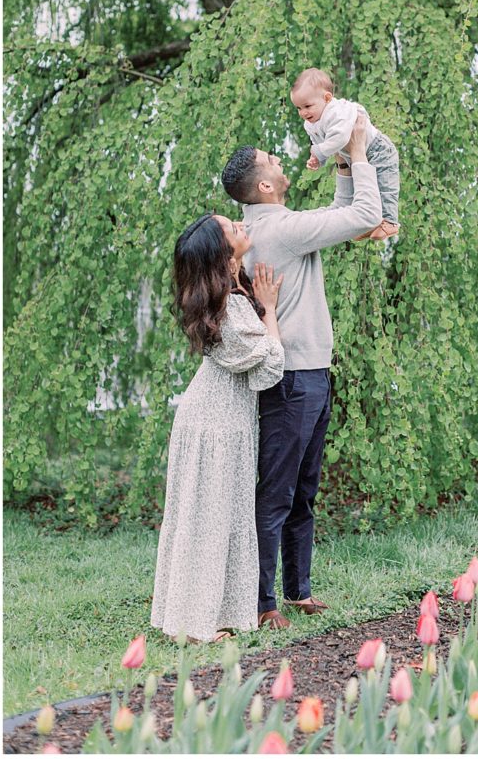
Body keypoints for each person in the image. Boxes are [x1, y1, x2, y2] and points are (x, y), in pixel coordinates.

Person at [221, 115, 381, 629]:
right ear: (265, 186)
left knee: (302, 491)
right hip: (293, 379)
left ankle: (298, 592)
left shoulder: (278, 227)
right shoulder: (281, 231)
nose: (280, 159)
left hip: (309, 374)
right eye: (272, 159)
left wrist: (339, 163)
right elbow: (363, 215)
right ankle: (264, 603)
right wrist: (357, 152)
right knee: (278, 493)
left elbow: (338, 212)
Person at [151, 213, 285, 643]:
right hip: (216, 421)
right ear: (222, 253)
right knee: (210, 518)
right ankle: (196, 624)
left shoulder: (229, 298)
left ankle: (202, 614)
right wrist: (274, 313)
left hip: (217, 416)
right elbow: (270, 367)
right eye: (230, 226)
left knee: (211, 516)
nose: (239, 224)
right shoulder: (232, 307)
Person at [291, 66, 400, 240]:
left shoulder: (335, 113)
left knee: (384, 185)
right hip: (353, 155)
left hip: (378, 149)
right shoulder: (310, 123)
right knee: (362, 189)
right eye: (298, 108)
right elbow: (321, 143)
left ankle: (390, 222)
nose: (303, 113)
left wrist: (319, 151)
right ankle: (370, 223)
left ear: (327, 98)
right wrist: (318, 159)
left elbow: (339, 138)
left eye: (307, 106)